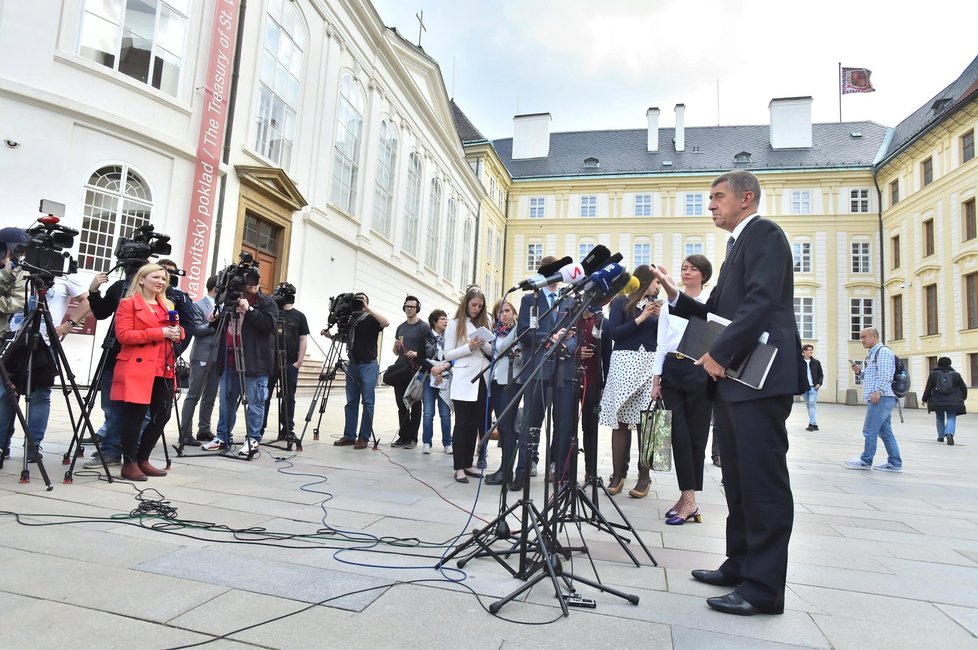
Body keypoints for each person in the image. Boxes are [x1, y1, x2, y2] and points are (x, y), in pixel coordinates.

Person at [653, 170, 806, 617]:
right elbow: (717, 311)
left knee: (763, 484)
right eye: (710, 197)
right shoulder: (736, 246)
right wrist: (673, 295)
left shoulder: (765, 234)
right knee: (738, 481)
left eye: (718, 196)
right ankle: (740, 565)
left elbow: (759, 303)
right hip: (738, 383)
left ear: (747, 198)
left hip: (760, 379)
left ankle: (763, 588)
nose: (711, 204)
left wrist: (719, 354)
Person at [651, 254, 713, 524]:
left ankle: (689, 500)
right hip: (673, 370)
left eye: (693, 269)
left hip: (700, 371)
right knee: (678, 435)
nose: (687, 272)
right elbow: (661, 342)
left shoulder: (710, 303)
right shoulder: (668, 305)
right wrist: (656, 379)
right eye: (684, 268)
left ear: (703, 275)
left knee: (697, 438)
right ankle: (687, 497)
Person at [111, 264, 184, 480]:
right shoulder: (128, 304)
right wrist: (159, 332)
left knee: (163, 414)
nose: (161, 282)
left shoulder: (167, 304)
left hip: (164, 366)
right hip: (138, 366)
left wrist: (177, 332)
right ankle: (129, 463)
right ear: (141, 279)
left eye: (164, 278)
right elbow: (124, 336)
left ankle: (143, 458)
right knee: (135, 416)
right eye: (156, 277)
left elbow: (178, 331)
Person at [514, 257, 578, 489]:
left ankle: (559, 470)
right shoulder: (530, 299)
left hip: (564, 370)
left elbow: (576, 335)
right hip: (538, 369)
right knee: (531, 422)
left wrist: (564, 344)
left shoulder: (571, 300)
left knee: (562, 425)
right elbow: (523, 332)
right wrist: (548, 338)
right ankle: (522, 469)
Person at [599, 265, 660, 498]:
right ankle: (617, 476)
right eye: (656, 282)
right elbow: (614, 333)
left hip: (650, 365)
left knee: (648, 422)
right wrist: (642, 318)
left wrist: (660, 317)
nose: (658, 286)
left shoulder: (659, 307)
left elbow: (664, 338)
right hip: (624, 364)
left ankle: (644, 477)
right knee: (621, 421)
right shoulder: (620, 302)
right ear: (645, 281)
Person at [202, 267, 278, 455]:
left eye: (255, 279)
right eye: (248, 280)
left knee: (255, 402)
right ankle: (222, 437)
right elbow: (220, 324)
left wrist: (249, 309)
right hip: (228, 359)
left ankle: (253, 440)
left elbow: (269, 325)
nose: (252, 283)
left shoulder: (266, 302)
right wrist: (214, 319)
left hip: (255, 363)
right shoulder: (229, 300)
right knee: (226, 401)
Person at [443, 286, 492, 483]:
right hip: (464, 379)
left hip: (482, 379)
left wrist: (485, 344)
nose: (477, 309)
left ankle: (469, 463)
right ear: (466, 304)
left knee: (475, 423)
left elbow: (491, 350)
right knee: (462, 423)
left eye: (480, 306)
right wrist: (469, 347)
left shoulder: (483, 324)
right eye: (474, 305)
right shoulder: (455, 324)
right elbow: (447, 354)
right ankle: (458, 467)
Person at [330, 292, 389, 449]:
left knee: (368, 402)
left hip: (368, 365)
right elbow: (347, 339)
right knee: (351, 402)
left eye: (363, 301)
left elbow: (386, 322)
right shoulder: (350, 320)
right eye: (358, 301)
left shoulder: (371, 319)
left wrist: (367, 308)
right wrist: (331, 337)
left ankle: (364, 437)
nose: (359, 304)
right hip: (353, 364)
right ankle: (349, 436)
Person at [847, 328, 903, 472]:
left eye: (864, 337)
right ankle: (894, 463)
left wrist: (878, 391)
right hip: (883, 396)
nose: (862, 340)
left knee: (869, 430)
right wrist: (859, 372)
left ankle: (866, 460)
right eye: (860, 337)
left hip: (881, 396)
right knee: (885, 432)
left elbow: (885, 375)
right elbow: (873, 376)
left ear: (874, 336)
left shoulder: (882, 352)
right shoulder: (874, 353)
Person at [261, 283, 309, 440]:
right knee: (264, 396)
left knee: (289, 397)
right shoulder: (271, 312)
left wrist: (299, 361)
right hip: (270, 362)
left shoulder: (299, 316)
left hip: (290, 363)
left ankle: (287, 429)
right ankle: (259, 428)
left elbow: (303, 339)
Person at [178, 274, 220, 447]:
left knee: (210, 396)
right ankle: (185, 432)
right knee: (193, 395)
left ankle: (204, 429)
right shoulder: (198, 305)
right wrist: (211, 323)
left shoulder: (225, 307)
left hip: (218, 356)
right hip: (201, 355)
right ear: (216, 288)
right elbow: (195, 330)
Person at [485, 299, 522, 486]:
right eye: (500, 312)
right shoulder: (494, 331)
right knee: (503, 427)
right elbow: (493, 353)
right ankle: (504, 469)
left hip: (511, 380)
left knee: (508, 426)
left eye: (507, 310)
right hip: (495, 381)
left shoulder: (518, 329)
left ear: (514, 312)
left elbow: (515, 352)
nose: (504, 314)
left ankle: (506, 471)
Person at [390, 295, 430, 449]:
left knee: (415, 404)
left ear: (417, 308)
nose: (409, 309)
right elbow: (395, 352)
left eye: (412, 306)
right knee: (401, 405)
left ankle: (413, 438)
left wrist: (415, 353)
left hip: (416, 370)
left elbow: (428, 351)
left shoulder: (424, 327)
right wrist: (397, 347)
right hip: (401, 369)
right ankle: (403, 436)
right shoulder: (400, 327)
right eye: (407, 306)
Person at [420, 309, 452, 454]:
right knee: (428, 413)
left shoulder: (451, 337)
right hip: (428, 377)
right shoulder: (425, 336)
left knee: (445, 413)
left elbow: (452, 357)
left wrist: (441, 370)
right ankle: (426, 442)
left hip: (445, 376)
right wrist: (434, 370)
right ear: (434, 322)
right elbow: (420, 358)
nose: (446, 321)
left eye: (446, 319)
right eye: (442, 319)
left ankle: (447, 443)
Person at [921, 356, 967, 445]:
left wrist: (924, 399)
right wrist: (962, 398)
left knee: (939, 417)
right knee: (951, 417)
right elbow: (963, 388)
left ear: (938, 363)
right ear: (950, 364)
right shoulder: (956, 375)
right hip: (953, 401)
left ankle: (941, 436)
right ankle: (949, 434)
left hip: (937, 400)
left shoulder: (933, 374)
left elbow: (928, 388)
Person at [801, 344, 823, 431]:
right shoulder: (800, 362)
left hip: (814, 387)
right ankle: (814, 424)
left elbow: (821, 374)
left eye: (811, 350)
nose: (811, 351)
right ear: (804, 351)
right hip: (804, 387)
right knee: (808, 405)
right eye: (809, 350)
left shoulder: (816, 362)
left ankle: (811, 424)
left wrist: (819, 384)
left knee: (812, 404)